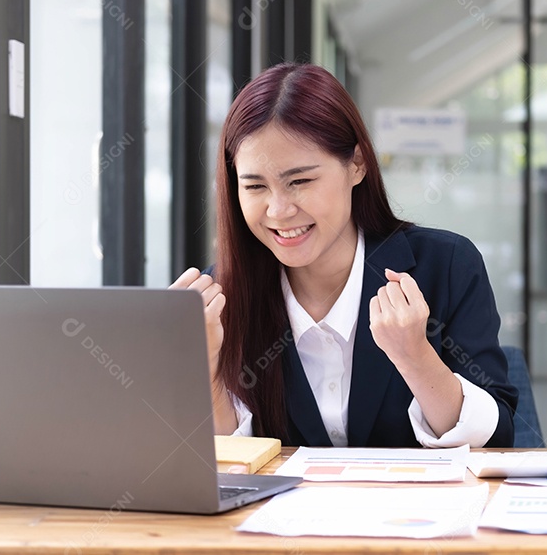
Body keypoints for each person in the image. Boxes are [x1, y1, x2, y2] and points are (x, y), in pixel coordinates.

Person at [171, 62, 516, 448]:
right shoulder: (217, 303)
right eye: (255, 186)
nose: (279, 210)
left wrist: (415, 357)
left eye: (299, 181)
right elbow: (228, 466)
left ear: (357, 165)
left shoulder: (447, 267)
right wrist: (204, 371)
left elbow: (498, 440)